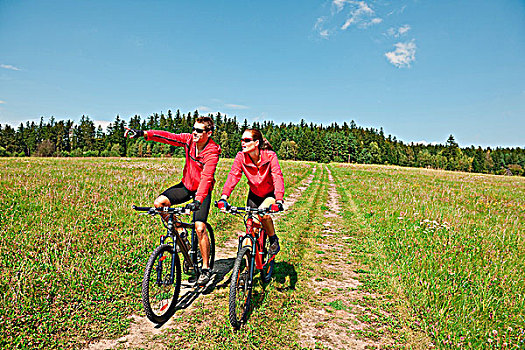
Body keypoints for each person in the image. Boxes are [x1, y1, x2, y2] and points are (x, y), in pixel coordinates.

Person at [124, 116, 220, 286]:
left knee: (199, 227)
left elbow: (207, 178)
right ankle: (182, 233)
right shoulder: (189, 140)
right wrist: (143, 133)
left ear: (209, 133)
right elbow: (168, 136)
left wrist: (197, 200)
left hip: (202, 192)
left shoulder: (212, 151)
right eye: (193, 129)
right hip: (186, 186)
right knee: (159, 203)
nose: (194, 133)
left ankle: (205, 268)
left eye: (199, 130)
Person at [218, 128, 284, 255]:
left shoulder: (270, 156)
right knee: (250, 228)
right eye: (242, 140)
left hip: (269, 195)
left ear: (256, 143)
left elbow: (277, 176)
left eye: (247, 140)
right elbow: (233, 176)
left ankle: (273, 238)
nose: (243, 143)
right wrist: (224, 197)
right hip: (253, 195)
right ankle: (248, 269)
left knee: (263, 214)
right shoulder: (241, 157)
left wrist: (279, 199)